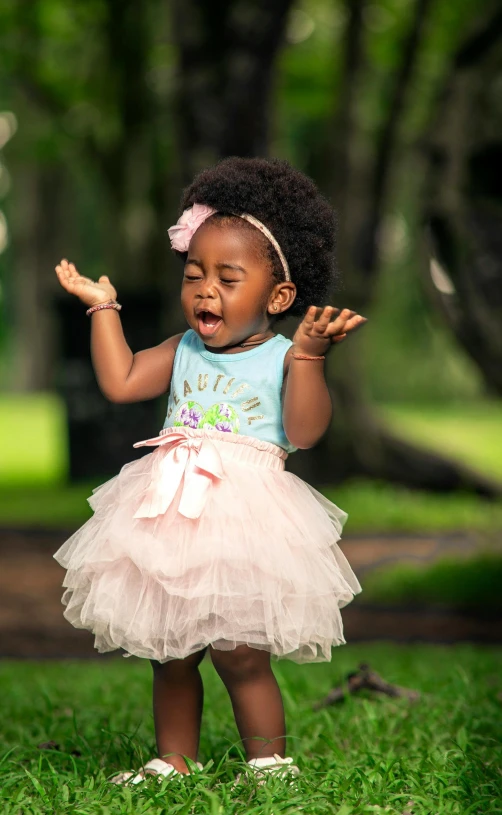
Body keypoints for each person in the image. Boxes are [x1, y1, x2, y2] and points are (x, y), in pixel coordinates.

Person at [53, 156, 366, 786]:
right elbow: (120, 382)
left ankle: (268, 763)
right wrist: (103, 308)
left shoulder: (284, 354)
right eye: (194, 275)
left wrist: (309, 359)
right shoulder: (183, 346)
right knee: (171, 652)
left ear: (277, 296)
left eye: (228, 277)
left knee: (241, 653)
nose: (205, 291)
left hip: (245, 519)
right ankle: (173, 760)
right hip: (170, 513)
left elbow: (304, 432)